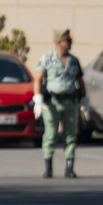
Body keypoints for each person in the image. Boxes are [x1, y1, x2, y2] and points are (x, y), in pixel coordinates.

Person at [35, 30, 83, 179]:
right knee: (50, 134)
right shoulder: (47, 59)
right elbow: (38, 79)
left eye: (69, 41)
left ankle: (69, 168)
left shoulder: (74, 61)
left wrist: (84, 99)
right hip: (52, 103)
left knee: (70, 135)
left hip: (70, 102)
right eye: (66, 41)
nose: (68, 44)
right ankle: (48, 168)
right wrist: (38, 98)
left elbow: (79, 80)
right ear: (58, 42)